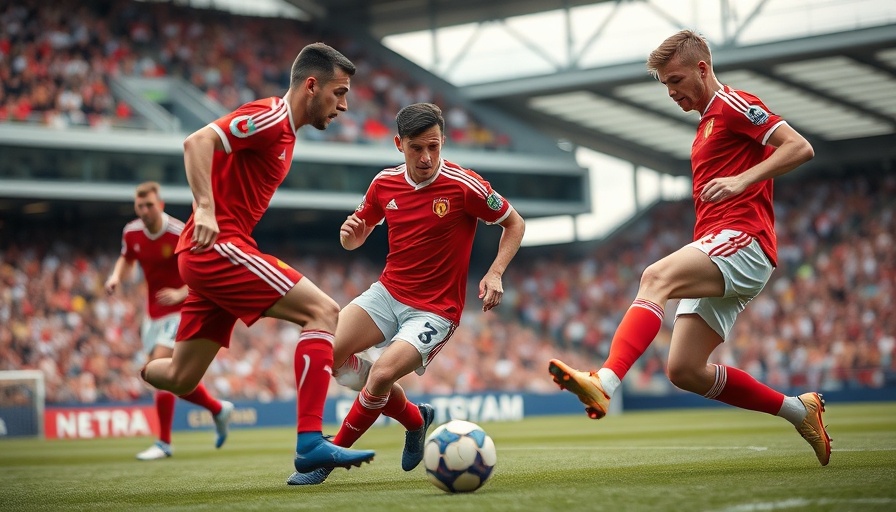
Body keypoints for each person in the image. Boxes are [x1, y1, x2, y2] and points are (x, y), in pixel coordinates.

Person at [547, 30, 832, 466]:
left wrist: (743, 180)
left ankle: (605, 381)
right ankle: (800, 410)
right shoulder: (706, 125)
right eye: (664, 84)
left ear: (702, 68)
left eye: (676, 80)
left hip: (744, 239)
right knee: (684, 370)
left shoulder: (733, 104)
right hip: (719, 245)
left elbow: (800, 146)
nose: (671, 92)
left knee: (654, 277)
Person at [141, 42, 375, 475]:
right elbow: (197, 142)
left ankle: (142, 370)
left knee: (179, 377)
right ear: (312, 85)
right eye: (339, 93)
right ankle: (310, 441)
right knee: (323, 311)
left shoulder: (287, 134)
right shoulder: (271, 117)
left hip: (205, 257)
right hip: (217, 247)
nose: (343, 106)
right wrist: (206, 208)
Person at [288, 102, 525, 485]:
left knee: (379, 375)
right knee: (326, 353)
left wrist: (496, 273)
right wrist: (352, 237)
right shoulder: (384, 183)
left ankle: (326, 462)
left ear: (443, 141)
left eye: (434, 146)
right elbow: (359, 232)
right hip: (387, 293)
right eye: (417, 148)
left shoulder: (465, 186)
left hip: (435, 310)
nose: (427, 157)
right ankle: (416, 420)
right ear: (399, 144)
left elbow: (514, 223)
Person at [105, 181, 234, 460]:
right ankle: (217, 409)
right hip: (151, 316)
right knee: (172, 378)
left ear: (160, 205)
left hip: (180, 311)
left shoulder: (178, 232)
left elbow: (204, 266)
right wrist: (116, 277)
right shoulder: (132, 232)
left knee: (157, 370)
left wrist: (181, 292)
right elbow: (126, 260)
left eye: (149, 204)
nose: (145, 210)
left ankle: (164, 443)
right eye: (140, 206)